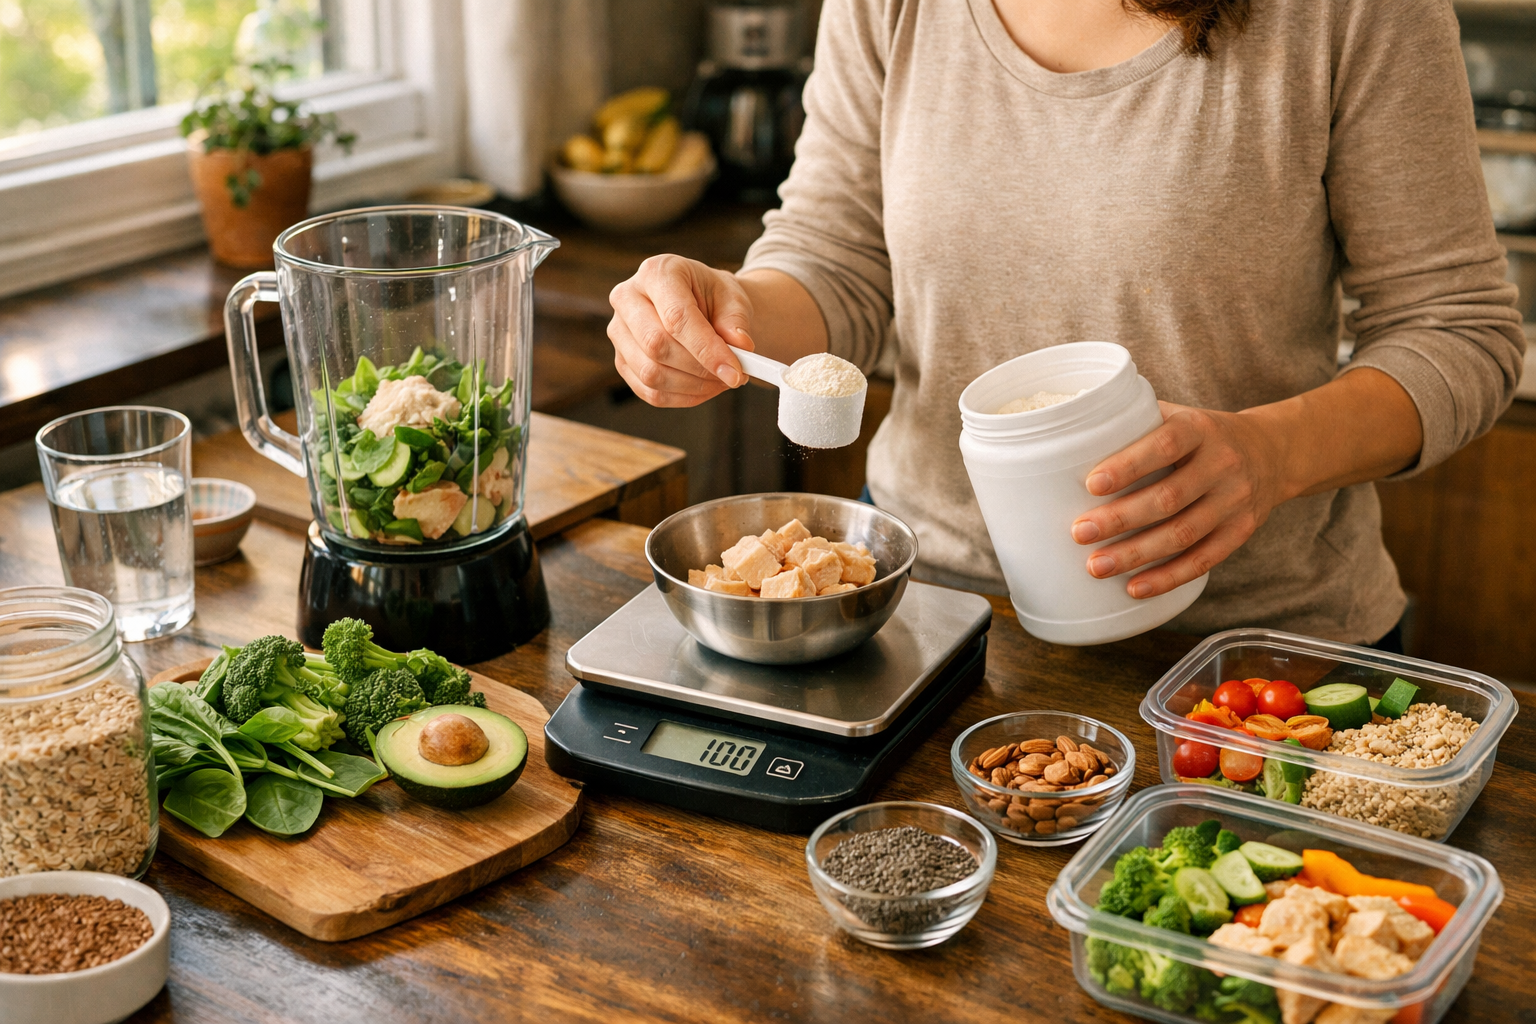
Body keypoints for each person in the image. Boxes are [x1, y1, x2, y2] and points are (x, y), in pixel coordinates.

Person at [605, 0, 1525, 646]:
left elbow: (1459, 328)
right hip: (932, 623)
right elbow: (838, 251)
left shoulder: (1354, 13)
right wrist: (729, 310)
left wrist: (1269, 455)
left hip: (1250, 654)